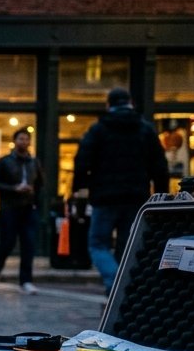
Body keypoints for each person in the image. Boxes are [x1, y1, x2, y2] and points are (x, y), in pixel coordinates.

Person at [72, 88, 169, 292]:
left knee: (98, 244)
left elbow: (82, 162)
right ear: (131, 102)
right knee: (128, 246)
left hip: (104, 197)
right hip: (136, 197)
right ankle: (122, 285)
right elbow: (160, 166)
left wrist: (79, 189)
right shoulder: (146, 129)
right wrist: (162, 195)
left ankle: (115, 282)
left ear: (108, 105)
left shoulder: (98, 129)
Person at [0, 128, 44, 294]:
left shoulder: (34, 162)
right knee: (7, 242)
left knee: (29, 244)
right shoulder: (4, 161)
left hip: (29, 208)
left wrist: (35, 195)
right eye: (21, 139)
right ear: (15, 141)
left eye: (26, 139)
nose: (24, 142)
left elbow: (41, 183)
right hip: (9, 209)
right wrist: (14, 188)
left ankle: (25, 280)